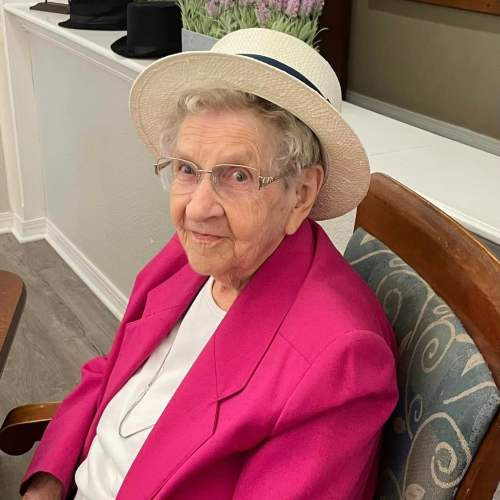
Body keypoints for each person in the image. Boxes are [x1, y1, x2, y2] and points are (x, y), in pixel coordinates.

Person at [21, 28, 398, 499]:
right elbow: (112, 371)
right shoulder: (193, 256)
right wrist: (47, 478)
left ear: (300, 193)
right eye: (185, 169)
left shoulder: (338, 362)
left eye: (237, 176)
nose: (197, 209)